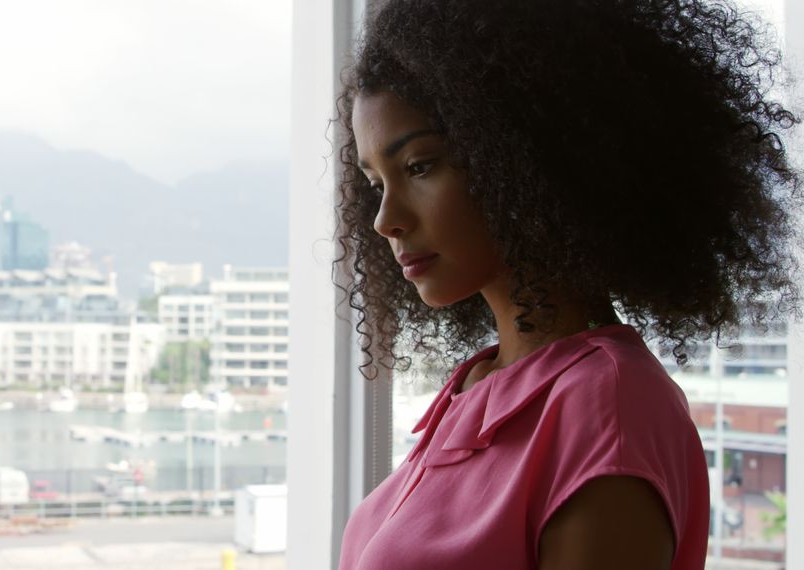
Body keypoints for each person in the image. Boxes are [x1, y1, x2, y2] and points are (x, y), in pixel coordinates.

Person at [333, 0, 800, 568]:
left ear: (523, 152)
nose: (385, 219)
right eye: (374, 181)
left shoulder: (607, 407)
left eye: (420, 166)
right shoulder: (482, 386)